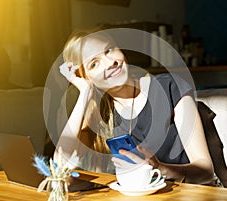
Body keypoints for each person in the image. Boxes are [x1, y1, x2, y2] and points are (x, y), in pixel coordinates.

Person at [54, 29, 214, 184]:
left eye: (109, 50)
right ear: (85, 77)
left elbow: (206, 171)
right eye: (94, 64)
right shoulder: (100, 112)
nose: (111, 63)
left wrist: (161, 169)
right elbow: (60, 164)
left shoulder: (170, 88)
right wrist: (85, 92)